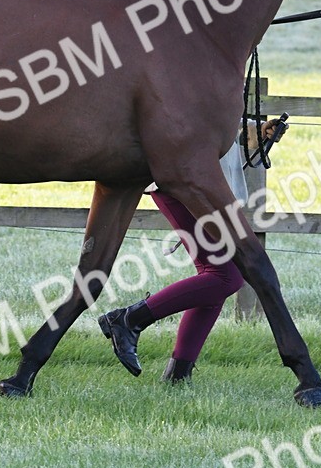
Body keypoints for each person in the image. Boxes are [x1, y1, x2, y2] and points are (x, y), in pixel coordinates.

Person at [98, 117, 282, 384]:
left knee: (218, 278)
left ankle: (177, 374)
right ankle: (129, 320)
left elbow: (213, 104)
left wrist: (254, 128)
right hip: (181, 178)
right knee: (225, 277)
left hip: (201, 179)